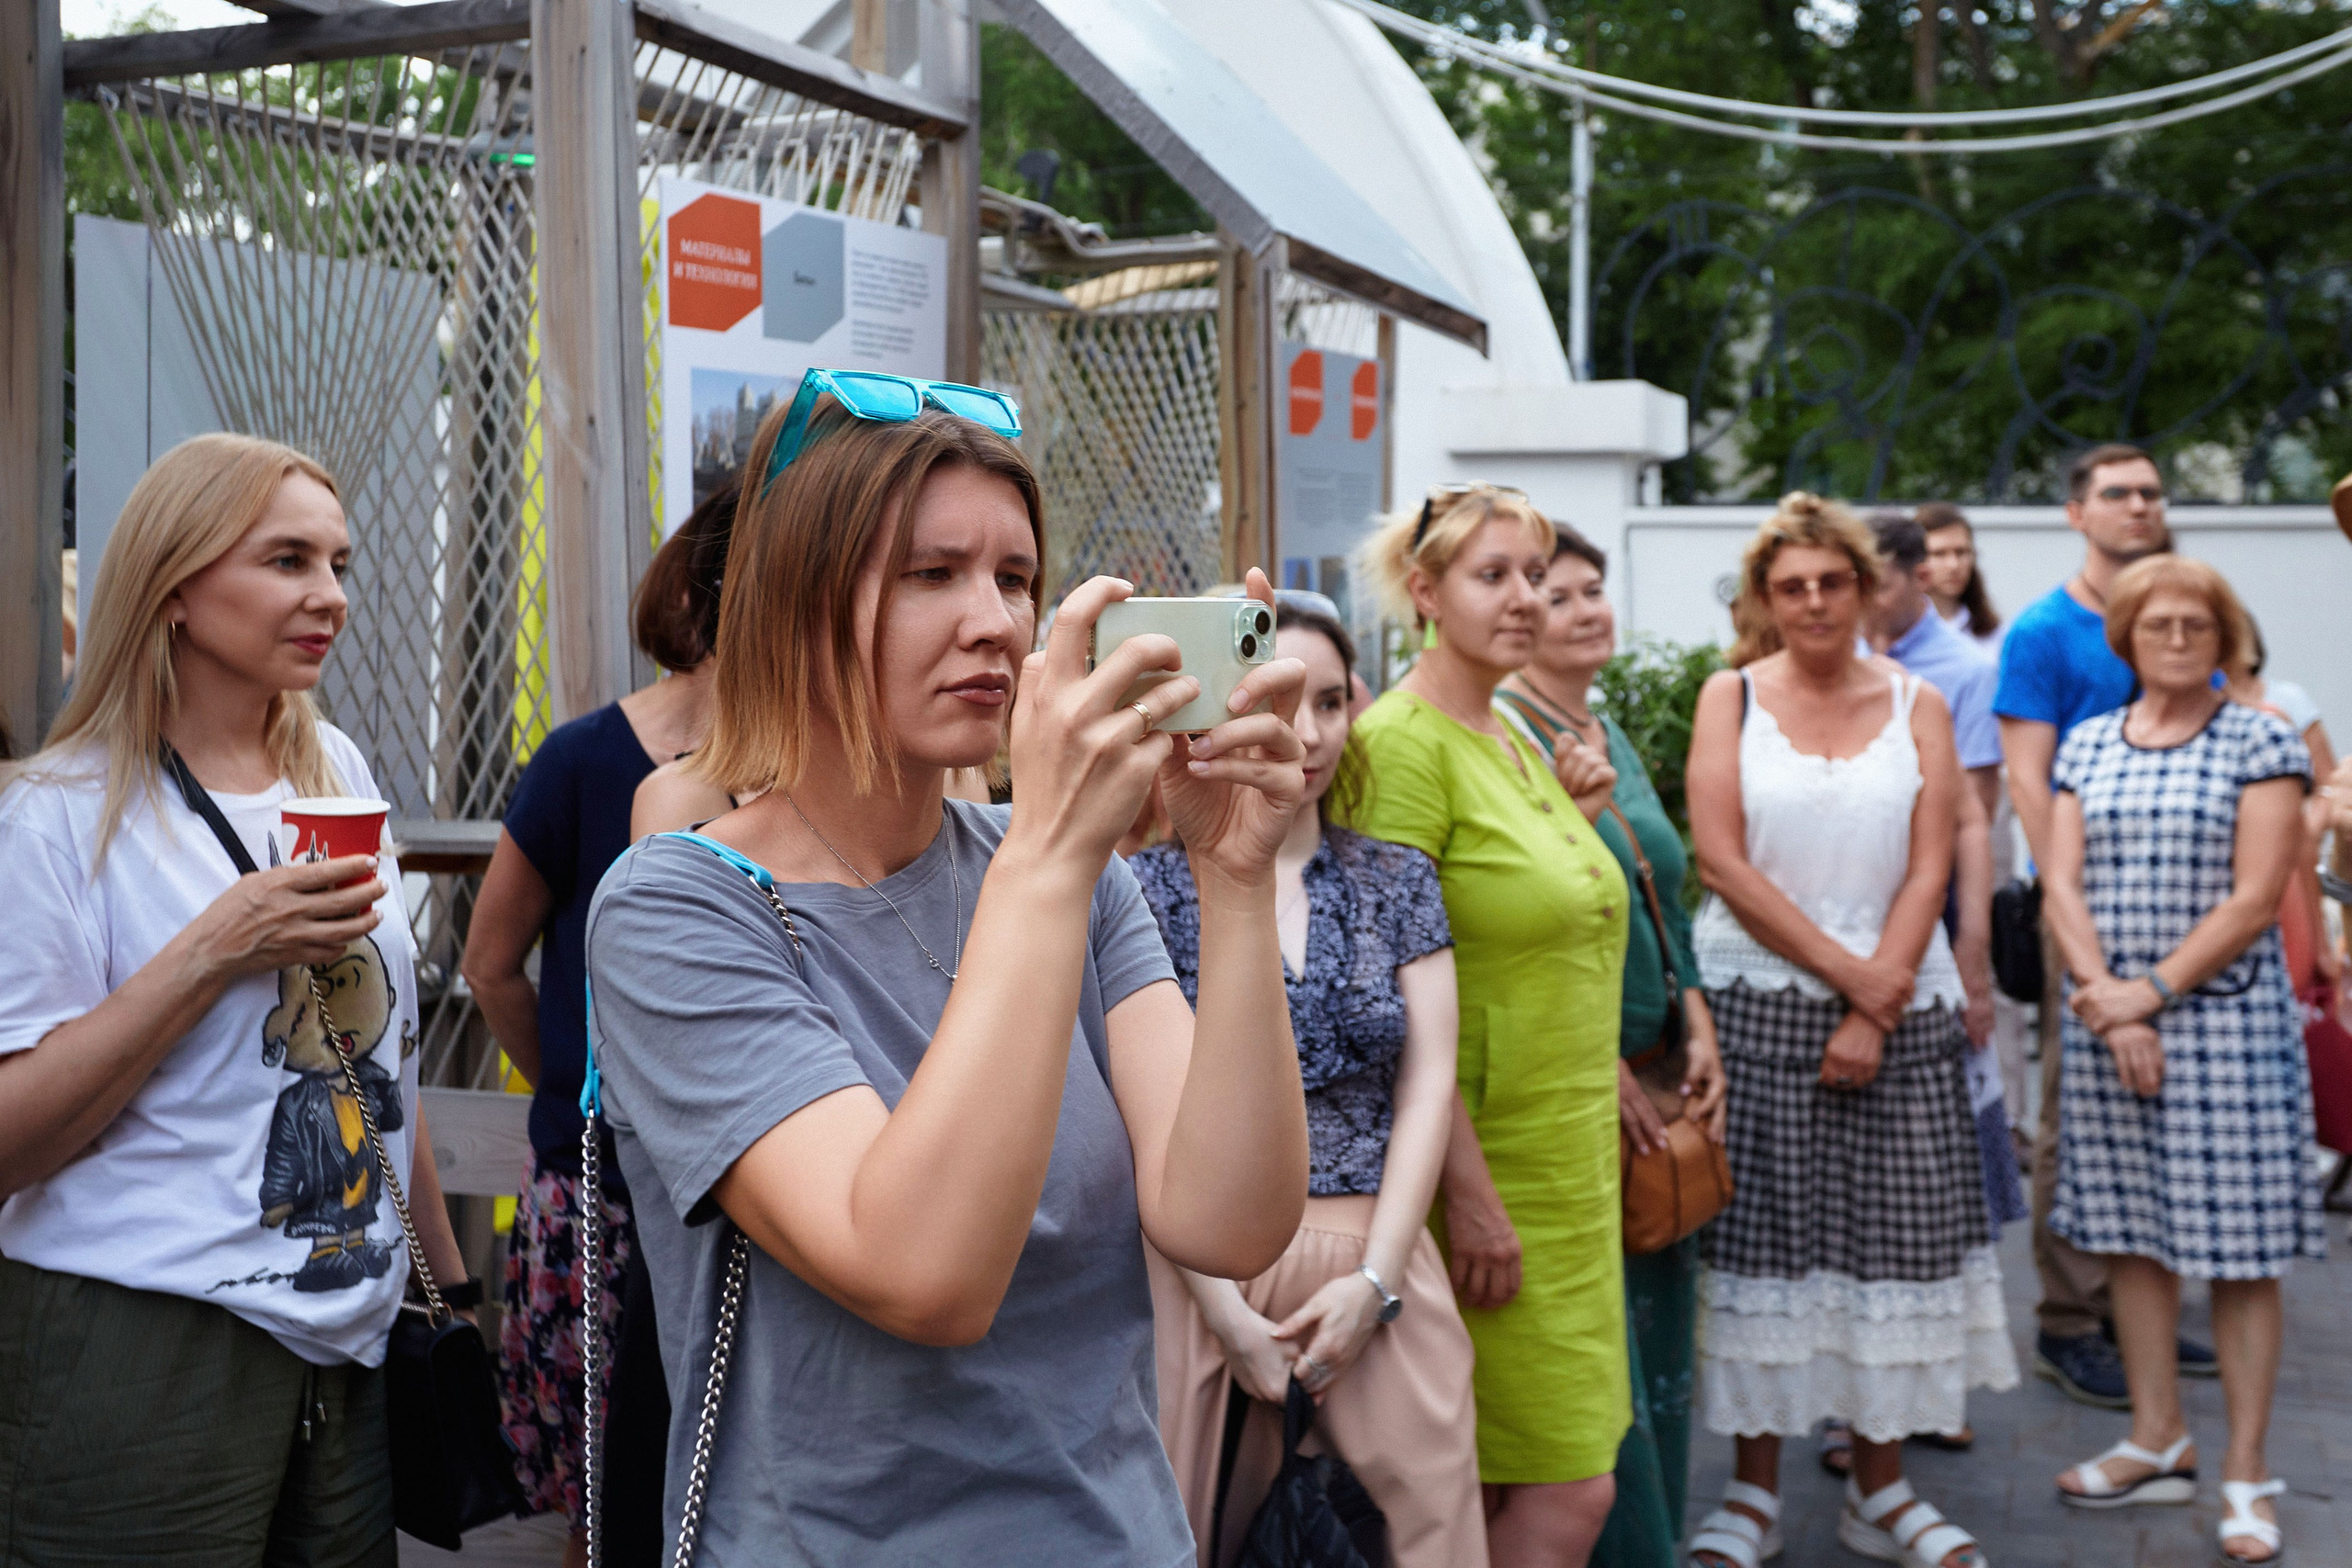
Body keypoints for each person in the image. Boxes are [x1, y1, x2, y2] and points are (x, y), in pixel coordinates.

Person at [582, 378, 1312, 1562]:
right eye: (931, 575)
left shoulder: (1066, 878)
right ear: (796, 599)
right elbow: (924, 1278)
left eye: (1015, 579)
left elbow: (1229, 1223)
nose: (996, 624)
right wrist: (1048, 851)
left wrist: (1234, 884)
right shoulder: (679, 906)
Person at [0, 433, 470, 1564]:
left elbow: (378, 1058)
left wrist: (448, 1282)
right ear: (174, 587)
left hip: (348, 1346)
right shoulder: (55, 816)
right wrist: (212, 951)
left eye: (339, 563)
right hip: (144, 1349)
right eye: (288, 561)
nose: (330, 597)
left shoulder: (337, 774)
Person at [1682, 494, 2016, 1568]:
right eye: (1792, 586)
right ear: (1764, 600)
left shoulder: (1919, 698)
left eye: (1833, 582)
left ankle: (1884, 1495)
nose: (1815, 601)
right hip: (1762, 1004)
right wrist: (1851, 983)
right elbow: (1723, 863)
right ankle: (1751, 1496)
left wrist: (1879, 998)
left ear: (1867, 588)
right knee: (1764, 1250)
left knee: (1898, 1253)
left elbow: (1931, 858)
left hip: (1902, 1014)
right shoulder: (1727, 696)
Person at [1136, 593, 1484, 1568]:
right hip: (1202, 1274)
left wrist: (1376, 1282)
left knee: (1426, 1537)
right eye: (1280, 700)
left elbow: (1426, 1086)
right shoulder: (1144, 888)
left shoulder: (1398, 879)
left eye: (1331, 702)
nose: (1309, 730)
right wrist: (1224, 1316)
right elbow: (1141, 1115)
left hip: (1385, 1260)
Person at [1345, 483, 1630, 1568]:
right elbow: (1387, 995)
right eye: (1495, 576)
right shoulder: (1402, 747)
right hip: (1493, 1178)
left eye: (1538, 575)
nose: (1530, 598)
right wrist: (1466, 1199)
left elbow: (1526, 927)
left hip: (1567, 1174)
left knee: (1544, 1477)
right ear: (1424, 593)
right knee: (1565, 1492)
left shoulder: (1505, 725)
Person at [461, 477, 738, 1565]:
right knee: (605, 1509)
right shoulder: (582, 760)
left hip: (740, 1194)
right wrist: (577, 1100)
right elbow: (492, 965)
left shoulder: (813, 770)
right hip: (603, 1204)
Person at [2042, 556, 2322, 1567]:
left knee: (2240, 1256)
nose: (2174, 638)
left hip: (2226, 1030)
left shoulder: (2259, 738)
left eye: (2194, 625)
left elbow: (2253, 899)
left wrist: (2148, 993)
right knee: (2129, 1234)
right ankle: (2155, 1436)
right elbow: (2060, 888)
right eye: (2154, 623)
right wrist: (2112, 1010)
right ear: (2124, 634)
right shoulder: (2085, 742)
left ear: (2222, 636)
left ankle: (2245, 1471)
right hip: (2109, 1024)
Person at [1490, 523, 1726, 1567]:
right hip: (1583, 1074)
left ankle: (1661, 1538)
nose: (1585, 609)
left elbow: (1657, 886)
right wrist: (1596, 1062)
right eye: (1559, 591)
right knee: (1602, 1369)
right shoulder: (1507, 737)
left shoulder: (1607, 728)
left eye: (1594, 590)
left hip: (1659, 1059)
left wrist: (1698, 1016)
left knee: (1663, 1332)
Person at [1995, 442, 2220, 1407]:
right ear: (2074, 513)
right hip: (2084, 910)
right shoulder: (2044, 632)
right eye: (2119, 493)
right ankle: (2070, 1320)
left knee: (2171, 1098)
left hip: (2189, 909)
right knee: (2074, 1109)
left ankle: (2145, 1313)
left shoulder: (2184, 616)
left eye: (2152, 493)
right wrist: (2070, 907)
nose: (2141, 506)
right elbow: (2026, 783)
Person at [1917, 502, 2002, 654]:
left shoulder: (1996, 635)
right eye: (1939, 553)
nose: (1953, 565)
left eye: (1961, 552)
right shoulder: (1898, 634)